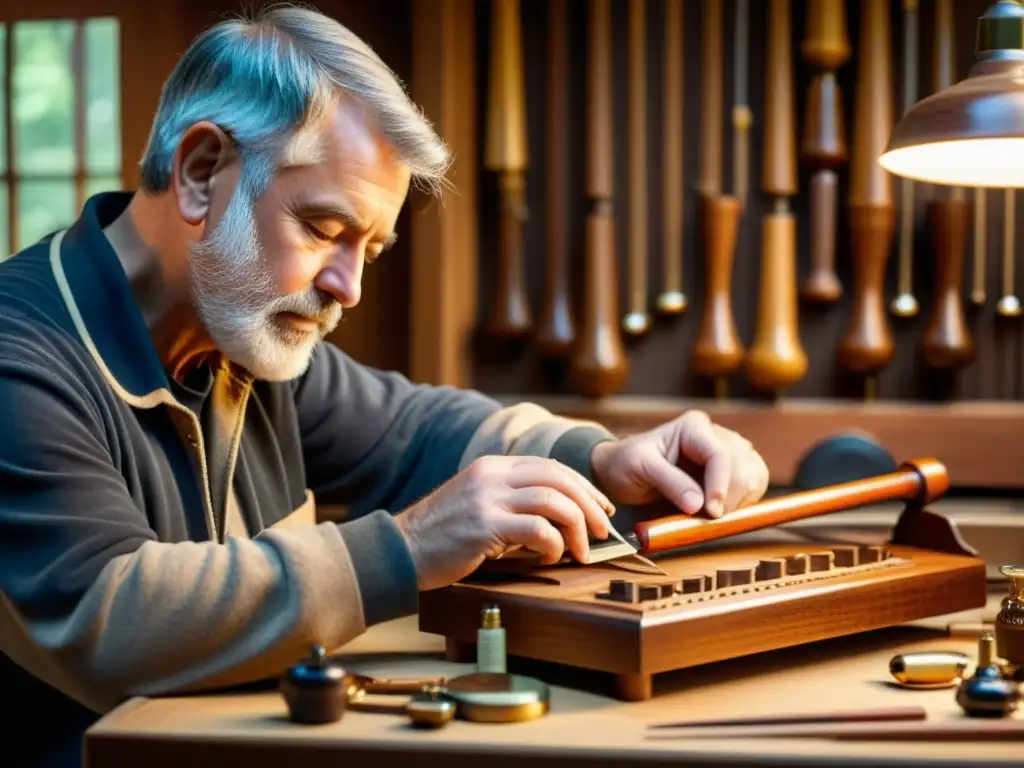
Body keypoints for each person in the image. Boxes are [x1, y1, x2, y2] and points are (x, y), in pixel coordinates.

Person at [0, 4, 768, 765]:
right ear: (201, 174)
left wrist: (603, 460)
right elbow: (110, 616)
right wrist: (412, 546)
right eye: (324, 230)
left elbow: (414, 429)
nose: (350, 286)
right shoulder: (19, 353)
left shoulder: (239, 334)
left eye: (371, 247)